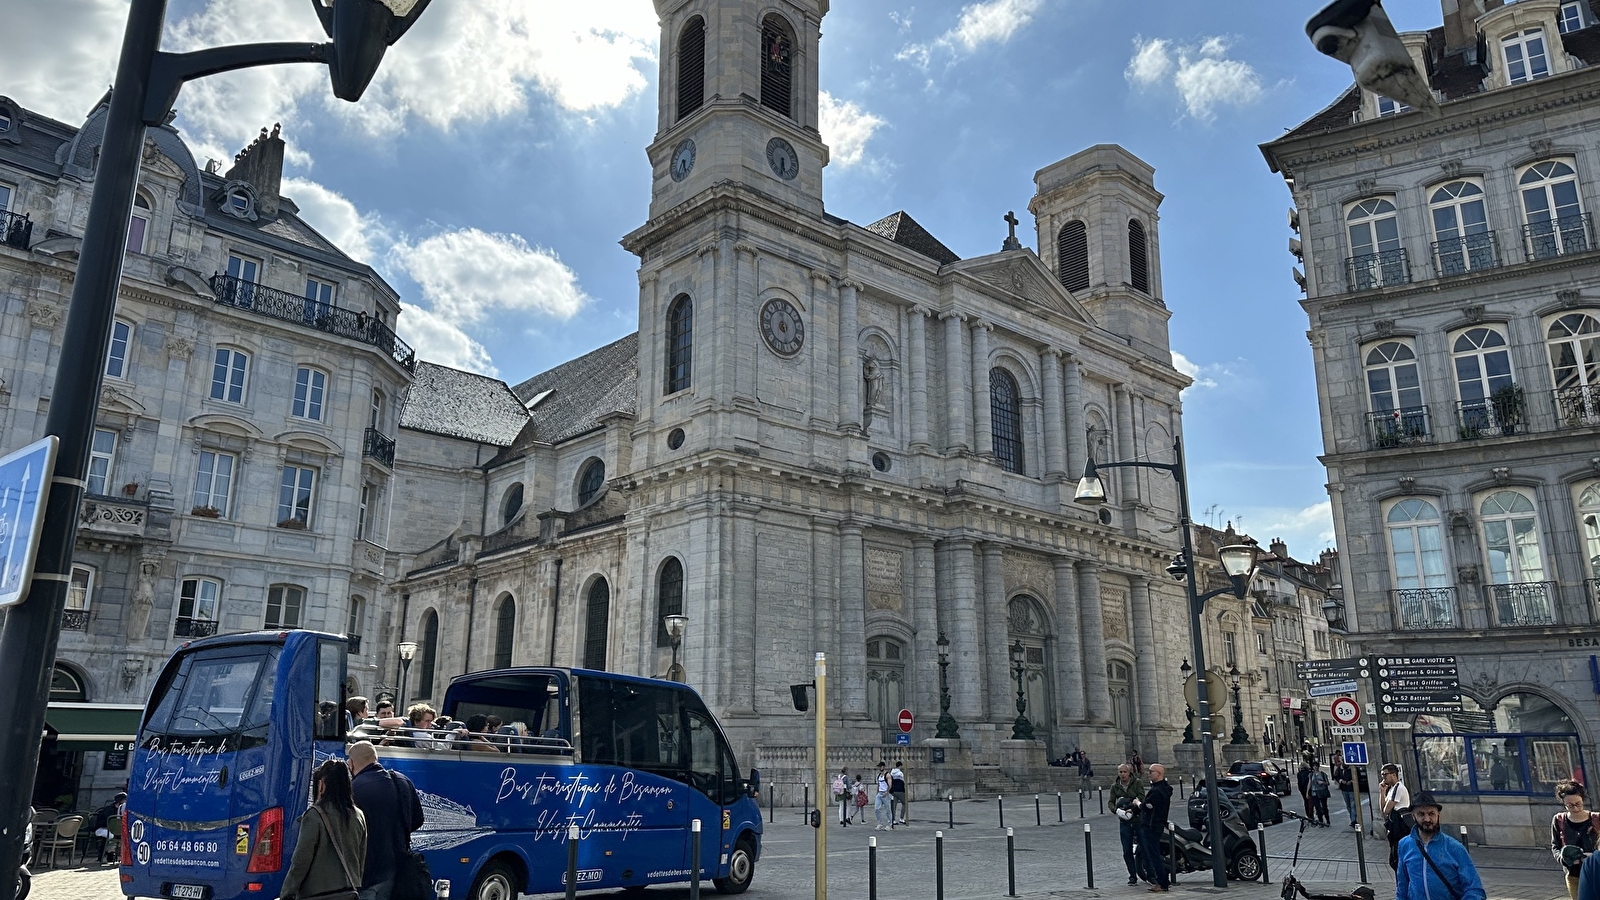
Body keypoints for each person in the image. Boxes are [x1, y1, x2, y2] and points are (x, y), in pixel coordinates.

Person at [280, 759, 368, 900]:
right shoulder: (358, 815)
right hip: (348, 892)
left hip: (317, 893)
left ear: (321, 785)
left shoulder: (314, 816)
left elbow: (301, 860)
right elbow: (361, 857)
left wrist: (287, 892)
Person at [350, 740, 424, 900]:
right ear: (375, 758)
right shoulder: (403, 781)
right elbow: (418, 820)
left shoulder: (354, 788)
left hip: (365, 873)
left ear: (351, 764)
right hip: (395, 869)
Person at [1395, 791, 1486, 900]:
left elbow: (1474, 888)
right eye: (1421, 814)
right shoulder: (1404, 845)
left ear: (1438, 815)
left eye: (1431, 813)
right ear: (1413, 816)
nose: (1427, 819)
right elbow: (1402, 886)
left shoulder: (1454, 848)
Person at [1553, 780, 1598, 900]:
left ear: (1583, 800)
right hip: (1574, 875)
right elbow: (1555, 846)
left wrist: (1593, 856)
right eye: (1570, 805)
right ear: (1564, 804)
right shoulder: (1559, 820)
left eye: (1578, 804)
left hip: (1596, 872)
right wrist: (1564, 859)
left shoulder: (1596, 819)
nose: (1576, 808)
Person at [1134, 764, 1172, 892]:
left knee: (1153, 854)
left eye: (1151, 771)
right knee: (1155, 853)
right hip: (1157, 824)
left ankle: (1162, 883)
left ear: (1159, 773)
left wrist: (1137, 803)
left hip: (1152, 825)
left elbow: (1147, 807)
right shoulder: (1163, 788)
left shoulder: (1157, 791)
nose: (1148, 773)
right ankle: (1164, 880)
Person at [1110, 763, 1147, 886]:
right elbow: (1110, 802)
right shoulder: (1115, 786)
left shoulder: (1137, 783)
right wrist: (1116, 810)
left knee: (1145, 848)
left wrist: (1133, 809)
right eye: (1120, 772)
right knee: (1127, 850)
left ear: (1129, 772)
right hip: (1124, 822)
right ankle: (1132, 876)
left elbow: (1142, 798)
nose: (1123, 774)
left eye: (1125, 772)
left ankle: (1151, 875)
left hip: (1137, 821)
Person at [1380, 762, 1412, 871]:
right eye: (1382, 775)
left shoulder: (1399, 788)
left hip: (1400, 826)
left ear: (1393, 774)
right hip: (1394, 826)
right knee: (1395, 857)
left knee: (1397, 857)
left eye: (1385, 774)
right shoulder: (1392, 789)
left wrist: (1385, 806)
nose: (1383, 777)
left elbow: (1386, 810)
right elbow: (1383, 808)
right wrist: (1382, 792)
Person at [1334, 760, 1357, 827]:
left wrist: (1351, 781)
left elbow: (1356, 776)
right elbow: (1336, 776)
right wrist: (1341, 781)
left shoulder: (1351, 768)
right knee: (1348, 805)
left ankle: (1353, 820)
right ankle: (1352, 818)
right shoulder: (1339, 769)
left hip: (1351, 789)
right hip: (1344, 789)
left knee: (1353, 805)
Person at [1308, 761, 1332, 826]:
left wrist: (1322, 782)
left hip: (1322, 791)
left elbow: (1327, 783)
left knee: (1324, 806)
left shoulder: (1323, 774)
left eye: (1316, 766)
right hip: (1314, 792)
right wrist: (1307, 792)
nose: (1315, 767)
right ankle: (1320, 821)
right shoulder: (1311, 775)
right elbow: (1309, 783)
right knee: (1317, 807)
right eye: (1314, 766)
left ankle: (1327, 820)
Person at [874, 762, 893, 831]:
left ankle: (889, 824)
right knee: (876, 808)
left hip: (885, 794)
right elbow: (879, 785)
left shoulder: (887, 775)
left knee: (887, 809)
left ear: (883, 767)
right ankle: (880, 823)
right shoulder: (879, 775)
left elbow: (890, 785)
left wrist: (886, 792)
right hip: (880, 793)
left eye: (880, 766)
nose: (879, 768)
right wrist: (877, 793)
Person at [890, 760, 908, 826]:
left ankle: (893, 819)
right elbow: (902, 782)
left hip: (894, 790)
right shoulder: (900, 773)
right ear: (900, 766)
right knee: (904, 803)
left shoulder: (892, 772)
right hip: (900, 790)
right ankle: (901, 818)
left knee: (894, 806)